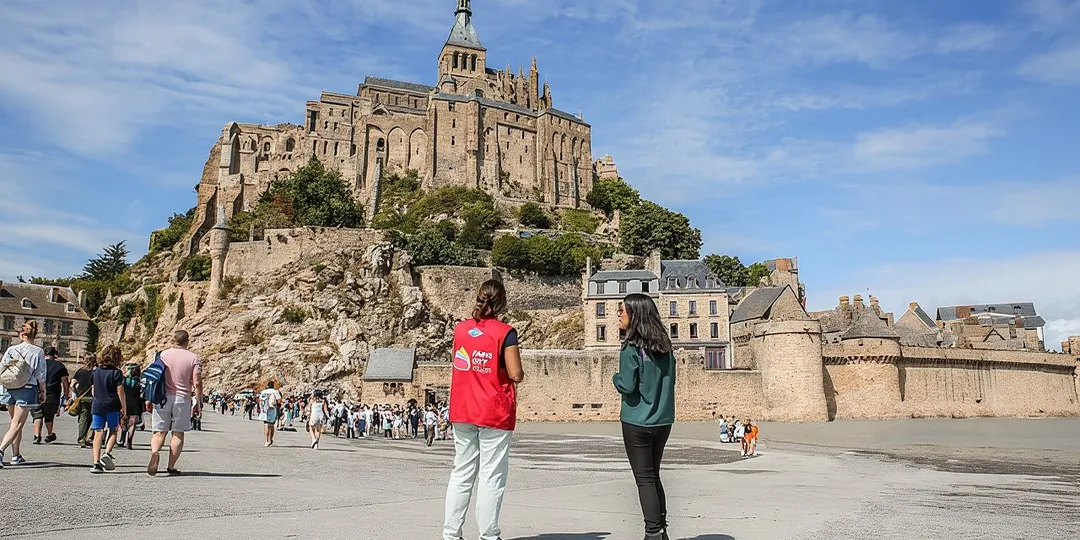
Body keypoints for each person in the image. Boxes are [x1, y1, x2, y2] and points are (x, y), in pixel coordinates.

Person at [442, 280, 524, 540]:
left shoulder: (461, 330)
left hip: (463, 407)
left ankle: (451, 534)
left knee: (462, 472)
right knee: (491, 475)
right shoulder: (505, 332)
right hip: (493, 410)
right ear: (501, 302)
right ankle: (489, 535)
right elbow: (515, 373)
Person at [612, 293, 677, 540]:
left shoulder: (630, 348)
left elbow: (627, 385)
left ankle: (652, 533)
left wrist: (614, 379)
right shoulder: (665, 347)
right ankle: (661, 531)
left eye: (622, 311)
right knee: (654, 475)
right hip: (662, 420)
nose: (619, 315)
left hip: (637, 420)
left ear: (635, 315)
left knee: (644, 479)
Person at [148, 330, 203, 476]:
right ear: (187, 341)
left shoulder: (163, 355)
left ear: (174, 340)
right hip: (182, 398)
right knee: (178, 434)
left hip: (162, 397)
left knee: (159, 432)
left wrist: (149, 398)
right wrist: (198, 402)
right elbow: (197, 382)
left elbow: (153, 376)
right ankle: (171, 466)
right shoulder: (194, 358)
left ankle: (155, 452)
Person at [0, 321, 47, 468]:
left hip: (9, 387)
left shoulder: (11, 349)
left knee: (15, 423)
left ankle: (16, 455)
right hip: (26, 388)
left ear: (21, 335)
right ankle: (0, 451)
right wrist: (43, 392)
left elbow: (2, 366)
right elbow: (41, 375)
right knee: (17, 424)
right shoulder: (38, 351)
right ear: (34, 335)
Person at [89, 345, 127, 473]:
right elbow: (120, 392)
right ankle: (107, 452)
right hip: (112, 405)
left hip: (98, 404)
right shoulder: (117, 373)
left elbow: (93, 389)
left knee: (98, 432)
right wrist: (124, 408)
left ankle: (96, 462)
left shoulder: (95, 371)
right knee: (113, 430)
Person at [31, 347, 69, 444]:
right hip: (52, 394)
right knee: (49, 415)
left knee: (37, 414)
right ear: (54, 355)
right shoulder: (60, 366)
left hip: (37, 392)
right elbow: (65, 382)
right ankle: (49, 434)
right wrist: (66, 394)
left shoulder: (38, 364)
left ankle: (37, 435)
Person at [71, 355, 96, 447]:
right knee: (93, 418)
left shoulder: (80, 371)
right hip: (94, 398)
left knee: (83, 418)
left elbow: (73, 383)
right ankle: (89, 437)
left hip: (82, 397)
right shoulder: (96, 371)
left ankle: (81, 438)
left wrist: (75, 394)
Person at [119, 362, 143, 450]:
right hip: (136, 403)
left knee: (124, 420)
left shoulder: (123, 381)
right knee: (132, 423)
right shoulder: (139, 382)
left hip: (125, 402)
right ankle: (129, 441)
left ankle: (122, 439)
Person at [259, 382, 282, 447]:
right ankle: (270, 440)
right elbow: (279, 400)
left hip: (265, 410)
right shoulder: (275, 392)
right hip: (273, 409)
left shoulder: (263, 392)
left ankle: (266, 441)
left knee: (266, 425)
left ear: (267, 386)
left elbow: (260, 400)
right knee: (271, 425)